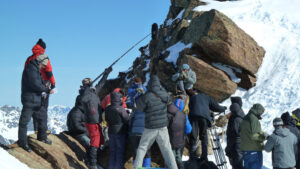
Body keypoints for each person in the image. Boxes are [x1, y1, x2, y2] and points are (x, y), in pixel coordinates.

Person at [133, 75, 178, 169]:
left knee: (142, 147)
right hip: (162, 126)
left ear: (150, 84)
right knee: (167, 149)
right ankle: (174, 167)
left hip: (150, 127)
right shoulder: (164, 93)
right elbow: (169, 100)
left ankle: (136, 167)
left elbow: (139, 107)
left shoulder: (147, 95)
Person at [19, 54, 54, 152]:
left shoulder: (35, 69)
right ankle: (23, 143)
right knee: (24, 122)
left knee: (42, 117)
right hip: (29, 100)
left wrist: (46, 85)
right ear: (39, 62)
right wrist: (47, 90)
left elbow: (39, 83)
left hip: (37, 99)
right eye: (43, 66)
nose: (43, 68)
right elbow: (35, 85)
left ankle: (42, 137)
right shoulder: (30, 69)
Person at [78, 67, 112, 169]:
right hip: (92, 121)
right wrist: (88, 89)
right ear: (88, 84)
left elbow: (101, 84)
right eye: (91, 83)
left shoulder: (92, 92)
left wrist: (106, 73)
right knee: (95, 141)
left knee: (98, 140)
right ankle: (92, 164)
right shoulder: (86, 93)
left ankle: (91, 159)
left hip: (94, 121)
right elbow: (83, 99)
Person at [25, 39, 56, 134]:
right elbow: (49, 72)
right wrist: (53, 84)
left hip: (32, 85)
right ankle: (43, 129)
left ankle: (36, 129)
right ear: (43, 48)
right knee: (43, 106)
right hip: (44, 84)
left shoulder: (29, 58)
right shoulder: (44, 58)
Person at [188, 90, 226, 161]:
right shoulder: (207, 97)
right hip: (204, 117)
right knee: (204, 136)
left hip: (193, 116)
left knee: (193, 136)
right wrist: (223, 108)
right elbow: (216, 107)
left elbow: (190, 107)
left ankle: (192, 156)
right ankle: (204, 156)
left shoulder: (193, 97)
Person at [128, 80, 151, 167]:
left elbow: (130, 121)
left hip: (135, 133)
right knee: (146, 152)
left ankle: (137, 167)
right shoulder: (147, 111)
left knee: (136, 152)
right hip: (144, 132)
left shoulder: (135, 112)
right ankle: (146, 167)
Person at [105, 92, 129, 169]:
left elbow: (106, 119)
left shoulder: (108, 108)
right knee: (119, 152)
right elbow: (126, 119)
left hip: (111, 131)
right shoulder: (121, 108)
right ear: (118, 99)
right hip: (120, 132)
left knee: (112, 152)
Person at [167, 98, 192, 169]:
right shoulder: (184, 116)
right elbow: (189, 130)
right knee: (179, 159)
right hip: (181, 142)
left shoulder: (168, 115)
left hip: (170, 142)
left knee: (171, 160)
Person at [241, 103, 266, 169]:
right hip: (254, 150)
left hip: (246, 150)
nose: (261, 114)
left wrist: (262, 133)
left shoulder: (245, 118)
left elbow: (248, 132)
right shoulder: (254, 119)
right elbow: (254, 135)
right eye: (261, 112)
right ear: (258, 110)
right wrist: (264, 137)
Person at [225, 99, 245, 169]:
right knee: (239, 162)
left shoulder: (235, 120)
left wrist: (228, 148)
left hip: (236, 144)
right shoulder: (242, 115)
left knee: (236, 163)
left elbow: (233, 135)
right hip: (241, 143)